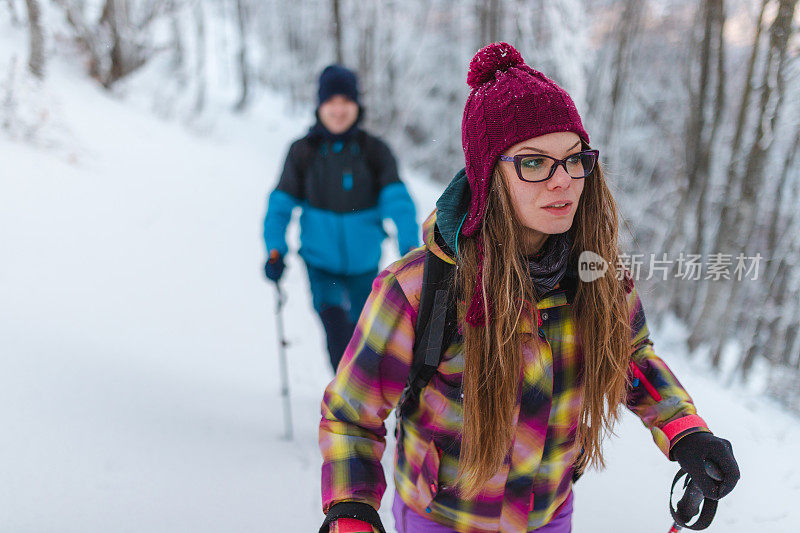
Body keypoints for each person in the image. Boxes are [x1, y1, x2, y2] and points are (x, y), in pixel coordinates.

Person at [317, 43, 740, 533]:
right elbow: (351, 415)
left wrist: (684, 430)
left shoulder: (595, 275)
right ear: (488, 174)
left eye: (573, 159)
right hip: (442, 518)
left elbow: (631, 357)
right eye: (534, 163)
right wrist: (352, 508)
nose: (562, 182)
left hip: (547, 516)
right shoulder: (417, 289)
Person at [263, 65, 419, 372]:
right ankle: (348, 408)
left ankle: (363, 402)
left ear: (356, 106)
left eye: (345, 101)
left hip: (364, 266)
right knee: (338, 337)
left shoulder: (374, 152)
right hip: (320, 265)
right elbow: (279, 207)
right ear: (320, 106)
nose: (338, 110)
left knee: (367, 341)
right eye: (331, 102)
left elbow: (399, 203)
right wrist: (275, 248)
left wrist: (411, 249)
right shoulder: (303, 152)